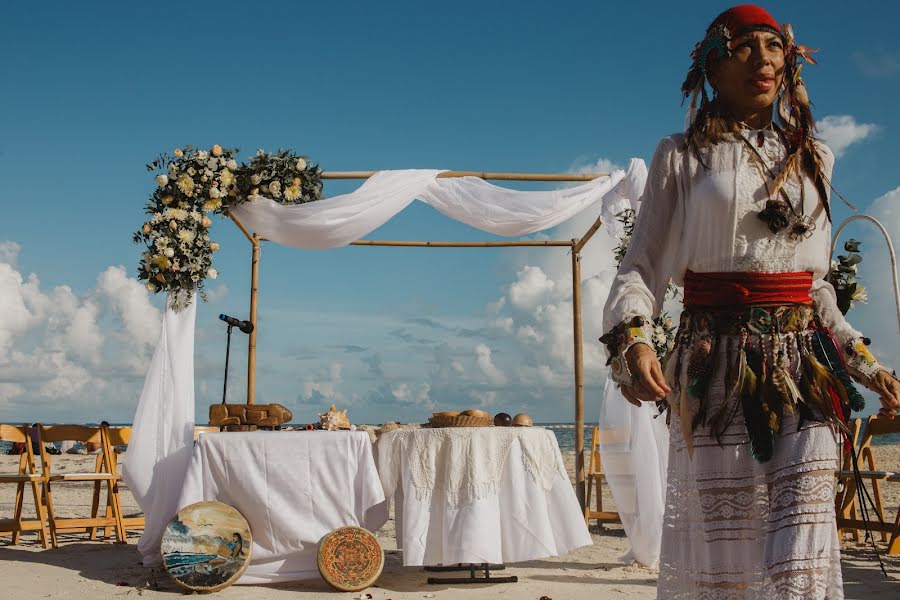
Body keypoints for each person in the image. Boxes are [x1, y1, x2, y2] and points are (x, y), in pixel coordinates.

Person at [600, 5, 900, 598]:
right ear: (712, 66)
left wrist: (868, 363)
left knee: (801, 540)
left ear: (789, 60)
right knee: (726, 546)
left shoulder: (815, 156)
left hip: (804, 367)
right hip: (716, 365)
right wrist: (634, 340)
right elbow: (642, 265)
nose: (762, 59)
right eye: (744, 47)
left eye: (773, 46)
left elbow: (816, 289)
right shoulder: (680, 156)